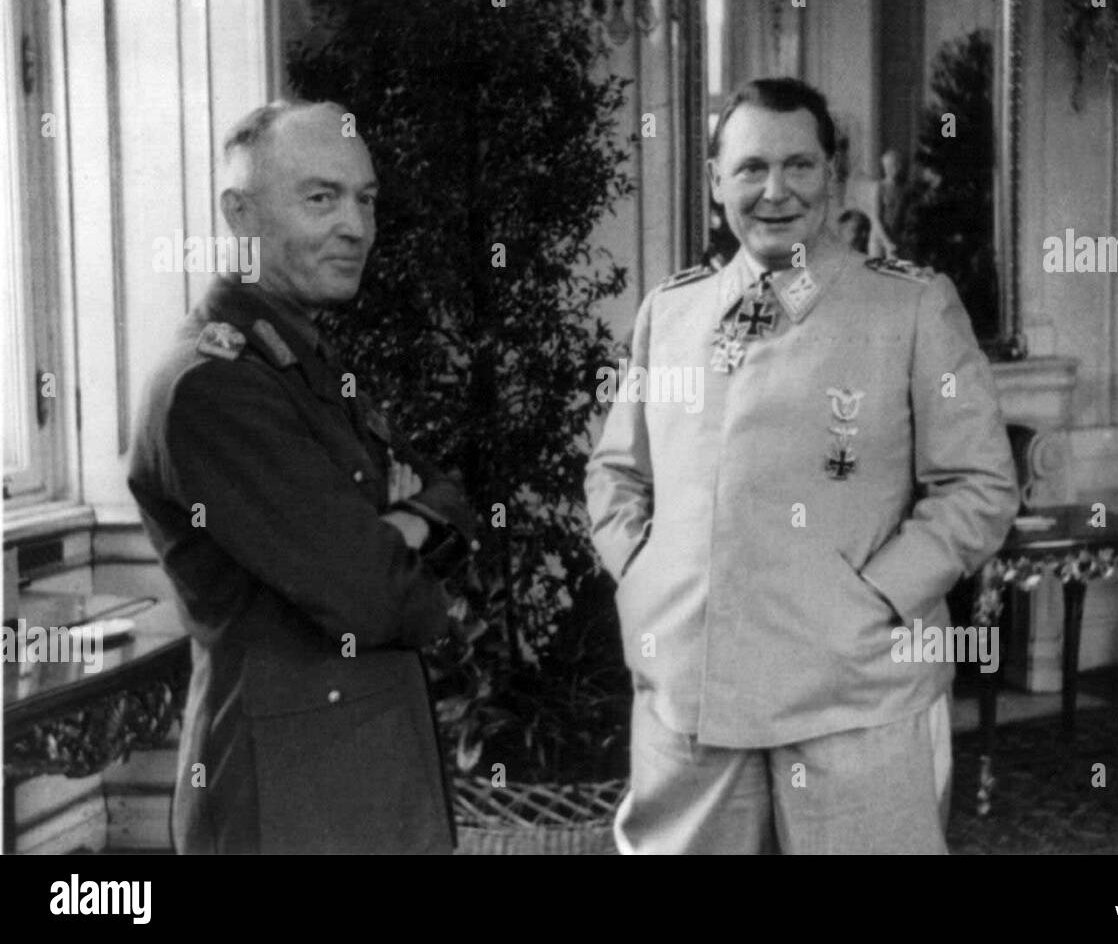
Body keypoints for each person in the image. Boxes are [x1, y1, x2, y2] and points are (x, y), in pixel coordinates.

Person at [584, 77, 1017, 854]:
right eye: (750, 168)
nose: (774, 191)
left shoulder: (910, 308)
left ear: (833, 175)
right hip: (694, 695)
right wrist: (647, 579)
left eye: (799, 166)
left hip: (855, 696)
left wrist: (876, 597)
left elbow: (980, 484)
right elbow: (617, 473)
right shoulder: (671, 314)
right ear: (716, 183)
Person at [128, 100, 476, 855]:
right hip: (287, 803)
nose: (356, 226)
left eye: (366, 200)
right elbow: (384, 600)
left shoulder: (302, 359)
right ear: (240, 214)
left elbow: (452, 498)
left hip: (372, 779)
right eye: (321, 197)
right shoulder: (213, 386)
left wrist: (406, 526)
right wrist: (401, 535)